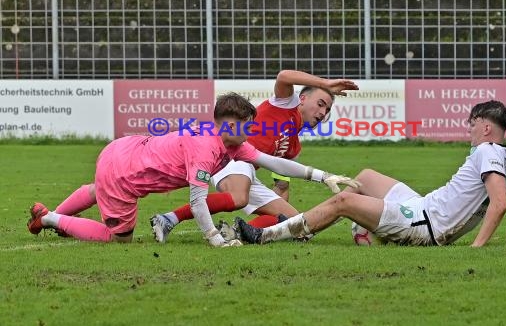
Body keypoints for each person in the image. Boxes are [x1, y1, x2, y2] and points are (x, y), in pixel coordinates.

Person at [26, 92, 360, 247]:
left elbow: (270, 161)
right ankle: (50, 218)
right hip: (123, 173)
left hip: (122, 150)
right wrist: (214, 239)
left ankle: (52, 214)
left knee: (99, 189)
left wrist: (321, 176)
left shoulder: (230, 140)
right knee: (118, 238)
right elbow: (199, 202)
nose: (250, 131)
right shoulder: (205, 149)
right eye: (247, 125)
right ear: (230, 124)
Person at [235, 100, 506, 248]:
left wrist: (478, 249)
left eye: (473, 123)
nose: (470, 128)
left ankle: (270, 234)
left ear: (486, 127)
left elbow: (500, 203)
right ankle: (311, 223)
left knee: (343, 203)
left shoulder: (486, 152)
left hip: (424, 224)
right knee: (364, 177)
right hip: (423, 206)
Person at [149, 70, 359, 243]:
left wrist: (280, 213)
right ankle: (169, 219)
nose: (323, 112)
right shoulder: (287, 104)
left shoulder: (294, 145)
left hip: (249, 168)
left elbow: (282, 185)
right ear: (302, 98)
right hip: (232, 155)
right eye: (321, 103)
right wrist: (326, 83)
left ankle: (235, 232)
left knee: (293, 222)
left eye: (328, 109)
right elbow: (284, 76)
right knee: (240, 197)